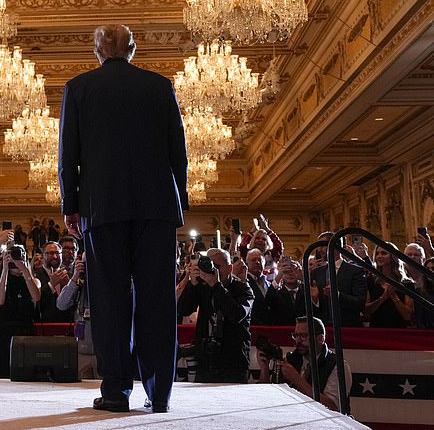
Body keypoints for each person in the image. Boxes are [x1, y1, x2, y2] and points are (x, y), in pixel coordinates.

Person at [58, 24, 189, 413]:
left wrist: (70, 205)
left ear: (96, 50)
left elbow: (69, 154)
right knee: (157, 301)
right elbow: (177, 151)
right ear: (132, 50)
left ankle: (115, 391)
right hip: (157, 207)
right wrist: (177, 201)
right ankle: (160, 393)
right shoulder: (160, 86)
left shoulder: (78, 88)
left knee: (110, 301)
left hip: (103, 207)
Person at [177, 248, 253, 383]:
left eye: (217, 267)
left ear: (230, 268)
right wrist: (192, 284)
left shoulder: (243, 289)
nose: (214, 271)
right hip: (206, 360)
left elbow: (237, 314)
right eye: (210, 266)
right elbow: (184, 310)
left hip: (233, 362)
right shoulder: (202, 287)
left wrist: (216, 286)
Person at [258, 316, 352, 412]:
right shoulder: (292, 359)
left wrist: (297, 379)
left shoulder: (337, 366)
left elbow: (333, 407)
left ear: (320, 339)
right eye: (296, 335)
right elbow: (269, 398)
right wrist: (264, 369)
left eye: (303, 336)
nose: (298, 341)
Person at [0, 242, 41, 378]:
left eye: (20, 255)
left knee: (26, 373)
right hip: (6, 332)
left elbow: (36, 297)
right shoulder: (0, 280)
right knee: (3, 373)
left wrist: (25, 270)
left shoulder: (34, 280)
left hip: (26, 330)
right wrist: (5, 269)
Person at [311, 233, 367, 327]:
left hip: (348, 327)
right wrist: (315, 300)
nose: (319, 250)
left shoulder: (355, 271)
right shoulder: (316, 273)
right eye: (318, 246)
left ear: (336, 246)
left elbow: (360, 303)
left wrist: (337, 295)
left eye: (323, 246)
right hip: (324, 328)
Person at [364, 243, 415, 328]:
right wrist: (382, 298)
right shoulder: (370, 281)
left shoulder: (407, 283)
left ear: (393, 256)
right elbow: (366, 311)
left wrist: (394, 296)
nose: (379, 256)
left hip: (399, 329)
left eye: (384, 253)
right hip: (376, 329)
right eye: (377, 253)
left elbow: (407, 316)